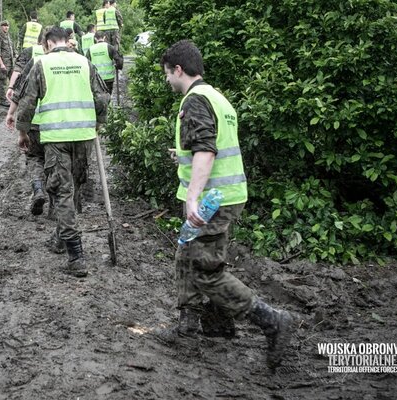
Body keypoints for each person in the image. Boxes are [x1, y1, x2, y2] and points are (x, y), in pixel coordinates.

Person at [154, 40, 294, 370]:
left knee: (204, 269)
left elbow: (207, 151)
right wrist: (183, 156)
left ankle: (272, 320)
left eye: (166, 74)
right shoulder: (217, 98)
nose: (166, 81)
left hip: (212, 200)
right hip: (226, 195)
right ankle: (206, 325)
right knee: (190, 255)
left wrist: (193, 198)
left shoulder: (196, 100)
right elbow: (206, 146)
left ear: (178, 70)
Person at [15, 27, 110, 278]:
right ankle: (59, 237)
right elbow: (102, 97)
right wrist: (99, 121)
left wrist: (23, 132)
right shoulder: (84, 62)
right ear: (67, 41)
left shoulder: (42, 64)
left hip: (56, 138)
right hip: (83, 137)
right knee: (76, 187)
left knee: (62, 192)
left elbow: (27, 102)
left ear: (47, 43)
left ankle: (76, 256)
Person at [5, 37, 48, 216]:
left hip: (34, 122)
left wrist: (11, 113)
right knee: (55, 162)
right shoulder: (71, 62)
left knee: (34, 157)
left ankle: (38, 188)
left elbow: (20, 89)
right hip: (57, 125)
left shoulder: (34, 61)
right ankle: (56, 203)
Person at [86, 30, 123, 95]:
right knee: (108, 95)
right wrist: (118, 66)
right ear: (104, 37)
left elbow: (86, 63)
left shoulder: (90, 49)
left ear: (95, 38)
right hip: (108, 78)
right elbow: (119, 61)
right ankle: (108, 105)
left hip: (96, 78)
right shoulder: (110, 47)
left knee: (98, 95)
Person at [0, 20, 14, 107]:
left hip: (11, 62)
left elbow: (11, 48)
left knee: (13, 81)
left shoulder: (8, 36)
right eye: (4, 26)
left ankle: (13, 97)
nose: (6, 27)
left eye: (7, 26)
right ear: (1, 27)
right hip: (4, 63)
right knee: (2, 82)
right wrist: (1, 64)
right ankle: (3, 100)